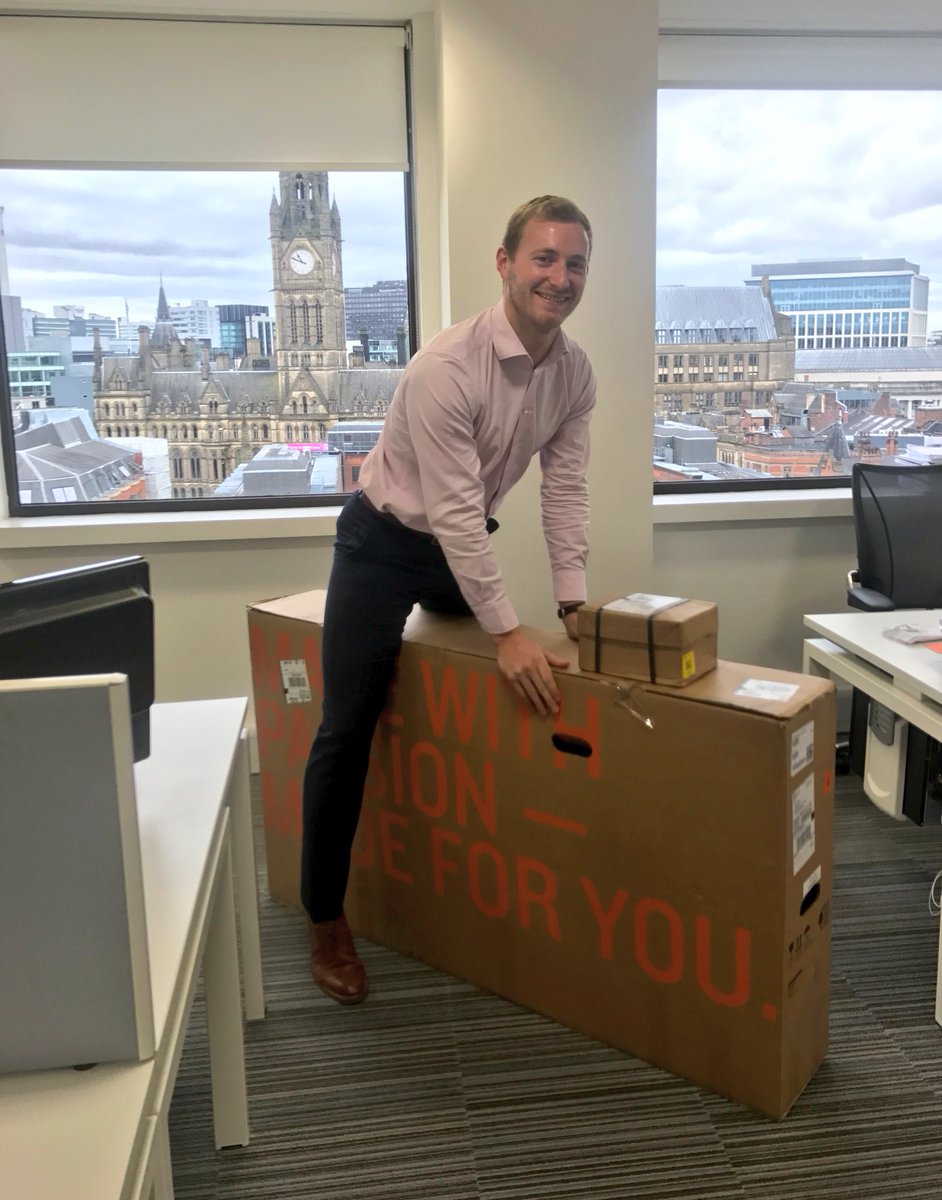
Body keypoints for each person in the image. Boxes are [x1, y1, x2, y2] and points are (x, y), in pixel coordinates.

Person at [301, 195, 596, 1003]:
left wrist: (573, 606)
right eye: (543, 258)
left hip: (456, 549)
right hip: (384, 544)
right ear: (505, 264)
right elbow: (457, 511)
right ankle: (324, 915)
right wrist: (504, 629)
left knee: (518, 669)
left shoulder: (573, 372)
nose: (559, 277)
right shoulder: (445, 367)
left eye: (573, 263)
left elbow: (565, 490)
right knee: (347, 722)